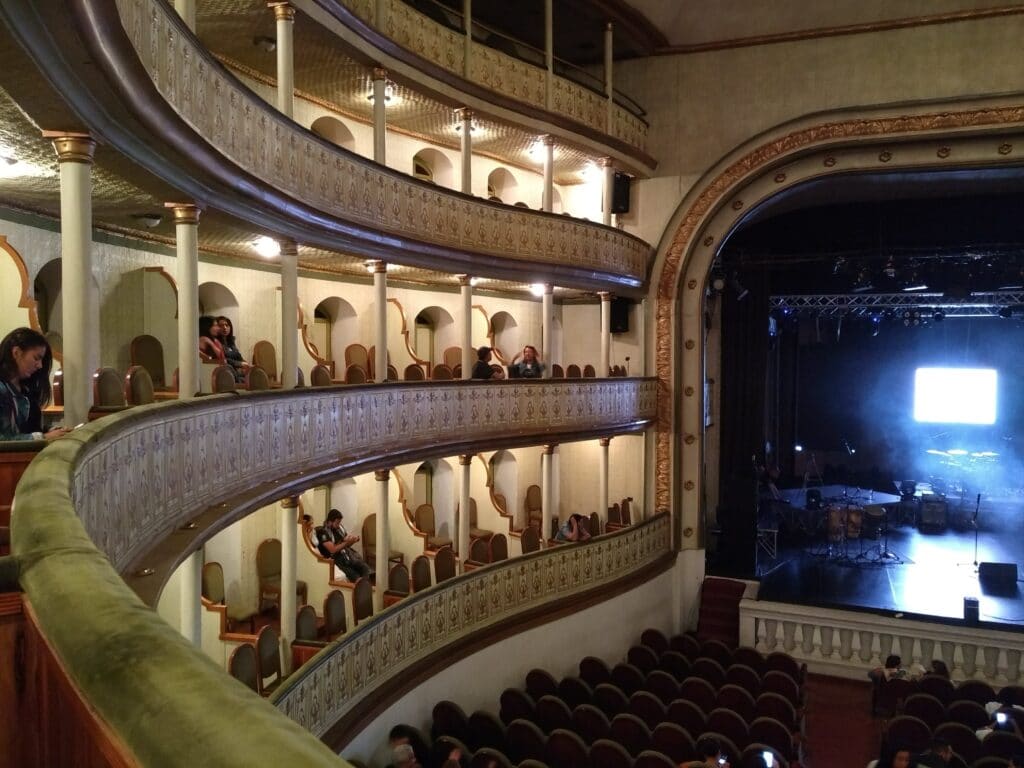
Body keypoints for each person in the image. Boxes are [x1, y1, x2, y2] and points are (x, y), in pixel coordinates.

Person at [0, 327, 68, 441]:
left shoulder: (26, 388)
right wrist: (43, 437)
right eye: (36, 358)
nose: (40, 365)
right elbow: (3, 439)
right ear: (16, 352)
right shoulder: (2, 389)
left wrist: (52, 431)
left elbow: (28, 427)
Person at [317, 508, 370, 581]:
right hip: (336, 559)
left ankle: (364, 586)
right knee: (355, 576)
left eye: (339, 523)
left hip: (346, 554)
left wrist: (353, 540)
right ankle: (361, 586)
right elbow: (333, 550)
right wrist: (346, 543)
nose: (338, 525)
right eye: (337, 523)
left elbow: (346, 544)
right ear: (330, 521)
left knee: (365, 568)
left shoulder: (338, 529)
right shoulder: (323, 532)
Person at [216, 316, 250, 382]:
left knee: (255, 371)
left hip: (238, 369)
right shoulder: (217, 343)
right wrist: (239, 364)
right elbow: (224, 359)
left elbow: (238, 356)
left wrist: (245, 364)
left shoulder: (231, 341)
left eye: (227, 325)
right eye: (221, 325)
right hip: (229, 370)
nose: (225, 328)